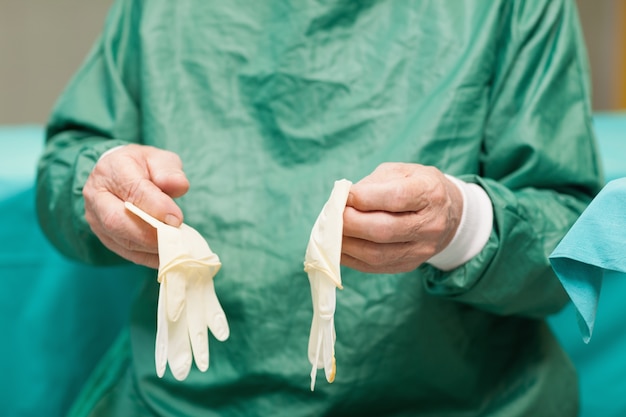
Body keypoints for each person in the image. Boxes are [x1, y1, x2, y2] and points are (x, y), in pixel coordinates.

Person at [36, 0, 603, 416]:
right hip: (186, 402)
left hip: (461, 400)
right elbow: (64, 173)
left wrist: (464, 225)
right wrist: (98, 187)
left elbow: (573, 252)